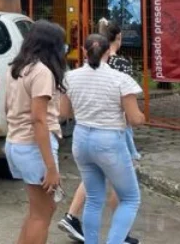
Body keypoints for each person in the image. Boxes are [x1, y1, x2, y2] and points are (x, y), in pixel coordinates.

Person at [60, 21, 141, 244]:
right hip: (109, 141)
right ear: (109, 51)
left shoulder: (71, 77)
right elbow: (135, 118)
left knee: (94, 198)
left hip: (81, 138)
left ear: (84, 51)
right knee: (130, 198)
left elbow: (64, 112)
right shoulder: (121, 79)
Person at [5, 20, 66, 244]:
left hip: (16, 142)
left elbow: (7, 107)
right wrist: (51, 167)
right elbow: (39, 119)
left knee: (37, 212)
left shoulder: (17, 68)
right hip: (34, 146)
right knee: (43, 213)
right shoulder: (42, 72)